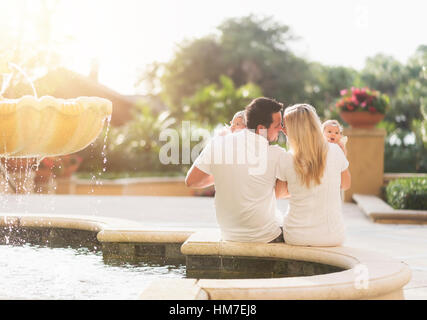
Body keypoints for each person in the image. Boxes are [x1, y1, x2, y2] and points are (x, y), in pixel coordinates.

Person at [185, 97, 285, 243]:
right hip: (266, 238)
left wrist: (223, 173)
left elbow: (192, 181)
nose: (281, 129)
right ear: (261, 129)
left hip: (229, 236)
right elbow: (284, 192)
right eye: (278, 125)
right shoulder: (276, 154)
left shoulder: (217, 143)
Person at [276, 104, 351, 246]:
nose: (282, 130)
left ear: (295, 130)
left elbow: (279, 193)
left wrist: (302, 189)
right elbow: (345, 184)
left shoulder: (286, 158)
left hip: (296, 236)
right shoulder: (335, 150)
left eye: (285, 126)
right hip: (333, 236)